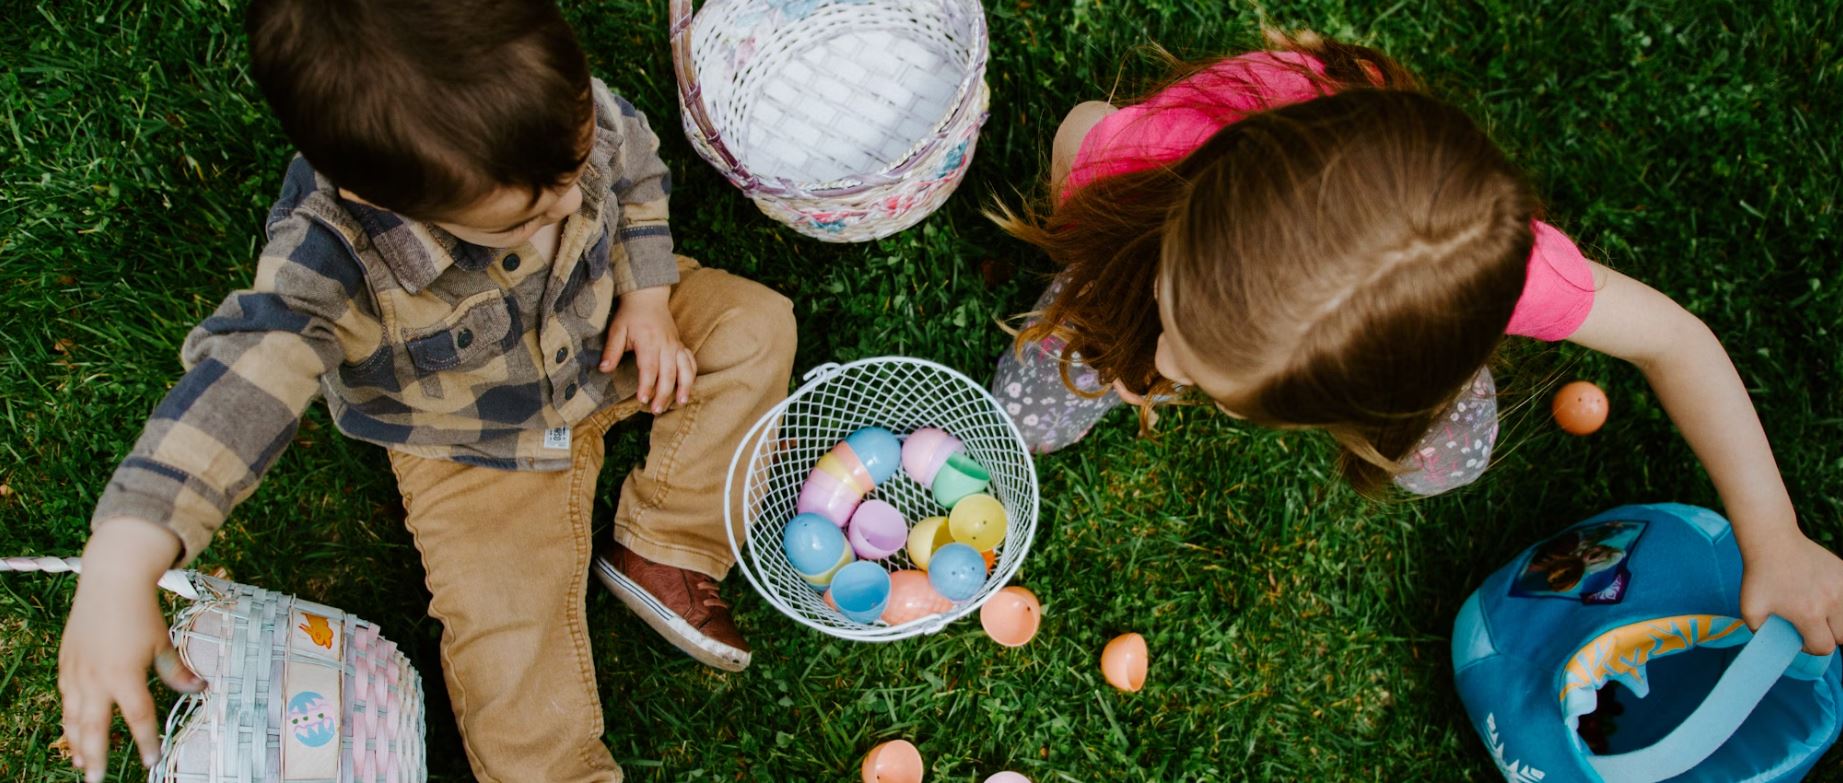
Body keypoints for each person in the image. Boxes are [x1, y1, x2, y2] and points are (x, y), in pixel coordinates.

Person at [55, 1, 796, 781]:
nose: (573, 205)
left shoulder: (547, 106)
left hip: (609, 329)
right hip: (471, 447)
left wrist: (647, 292)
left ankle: (664, 543)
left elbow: (634, 165)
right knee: (511, 661)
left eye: (577, 171)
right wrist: (123, 555)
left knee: (755, 327)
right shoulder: (333, 257)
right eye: (527, 217)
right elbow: (247, 373)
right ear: (382, 200)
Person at [990, 31, 1843, 653]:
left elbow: (1676, 340)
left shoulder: (1508, 275)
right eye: (1179, 319)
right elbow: (1081, 128)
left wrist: (1772, 532)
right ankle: (1127, 313)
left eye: (1198, 372)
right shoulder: (1150, 159)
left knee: (1443, 456)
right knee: (1058, 371)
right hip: (1182, 201)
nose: (1166, 368)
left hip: (1371, 295)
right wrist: (1127, 285)